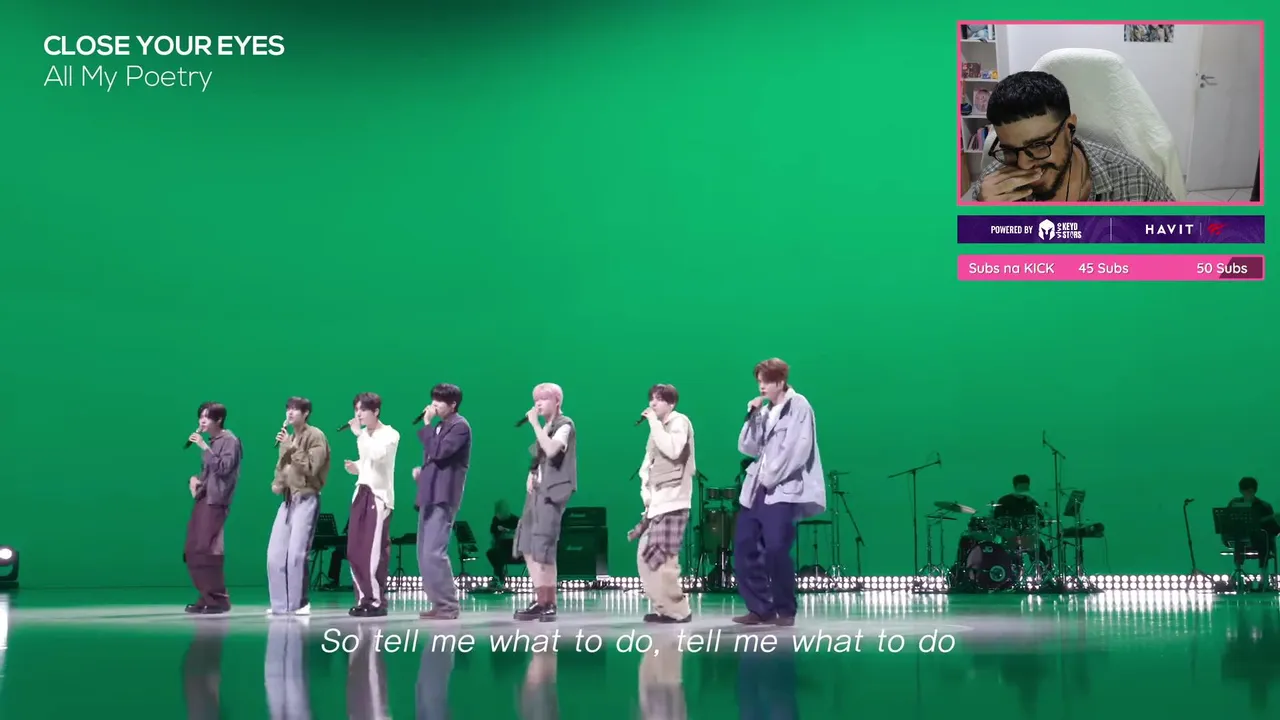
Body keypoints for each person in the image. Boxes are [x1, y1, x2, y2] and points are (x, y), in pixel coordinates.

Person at [965, 71, 1176, 203]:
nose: (1023, 164)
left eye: (1038, 145)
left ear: (1070, 128)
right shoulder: (992, 188)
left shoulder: (1133, 178)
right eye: (1010, 150)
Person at [733, 359, 826, 626]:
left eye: (766, 381)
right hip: (756, 489)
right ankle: (760, 608)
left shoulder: (799, 406)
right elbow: (748, 448)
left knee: (776, 548)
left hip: (783, 488)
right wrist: (752, 416)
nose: (761, 387)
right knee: (744, 546)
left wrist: (771, 476)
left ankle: (785, 609)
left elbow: (798, 449)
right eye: (759, 382)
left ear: (780, 381)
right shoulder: (765, 411)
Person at [627, 383, 694, 623]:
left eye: (658, 399)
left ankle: (679, 611)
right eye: (651, 398)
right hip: (657, 505)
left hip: (674, 502)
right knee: (646, 557)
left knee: (665, 562)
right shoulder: (657, 429)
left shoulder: (679, 422)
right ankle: (664, 608)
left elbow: (674, 450)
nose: (652, 403)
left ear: (671, 403)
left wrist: (654, 423)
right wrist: (647, 498)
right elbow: (648, 466)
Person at [513, 383, 577, 621]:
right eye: (535, 400)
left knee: (544, 545)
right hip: (536, 492)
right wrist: (531, 473)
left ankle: (549, 602)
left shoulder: (564, 425)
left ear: (557, 401)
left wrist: (535, 424)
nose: (538, 404)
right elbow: (539, 456)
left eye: (543, 399)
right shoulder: (547, 427)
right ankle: (539, 598)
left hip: (552, 492)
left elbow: (551, 450)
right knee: (527, 544)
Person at [412, 383, 472, 620]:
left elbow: (440, 453)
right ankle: (437, 603)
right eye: (433, 399)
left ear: (453, 404)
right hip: (429, 493)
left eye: (439, 401)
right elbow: (434, 458)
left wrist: (427, 425)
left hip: (444, 495)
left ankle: (448, 605)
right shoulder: (440, 426)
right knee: (423, 553)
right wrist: (423, 473)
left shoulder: (460, 426)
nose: (434, 405)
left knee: (434, 552)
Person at [266, 397, 331, 616]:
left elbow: (312, 467)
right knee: (274, 555)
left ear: (306, 413)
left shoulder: (316, 435)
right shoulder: (289, 437)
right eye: (288, 409)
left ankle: (299, 604)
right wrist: (278, 482)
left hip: (306, 497)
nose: (290, 413)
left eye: (295, 409)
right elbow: (282, 466)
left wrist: (290, 447)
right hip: (287, 500)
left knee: (296, 554)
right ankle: (280, 605)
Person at [342, 393, 400, 617]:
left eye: (363, 410)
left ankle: (376, 601)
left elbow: (378, 455)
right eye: (356, 410)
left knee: (373, 551)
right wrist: (356, 466)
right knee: (354, 550)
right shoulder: (366, 435)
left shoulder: (390, 434)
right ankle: (363, 598)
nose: (358, 414)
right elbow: (368, 462)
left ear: (376, 411)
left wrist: (360, 434)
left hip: (378, 496)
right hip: (361, 492)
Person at [184, 402, 243, 614]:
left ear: (218, 420)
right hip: (204, 498)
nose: (202, 421)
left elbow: (225, 468)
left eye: (207, 417)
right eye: (200, 416)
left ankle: (218, 599)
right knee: (193, 549)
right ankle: (206, 595)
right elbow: (209, 473)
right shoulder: (213, 442)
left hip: (216, 501)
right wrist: (196, 481)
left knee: (207, 549)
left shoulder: (230, 441)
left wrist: (204, 447)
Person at [1226, 477, 1277, 589]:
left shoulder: (1264, 506)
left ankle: (1263, 578)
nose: (1247, 494)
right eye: (1245, 491)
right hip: (1240, 539)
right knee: (1238, 536)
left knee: (1262, 537)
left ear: (1254, 491)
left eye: (1250, 491)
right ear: (1241, 491)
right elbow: (1227, 521)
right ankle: (1239, 577)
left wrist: (1270, 520)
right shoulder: (1234, 503)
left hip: (1260, 540)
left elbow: (1273, 528)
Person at [993, 474, 1051, 569]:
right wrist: (1004, 532)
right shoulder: (1004, 501)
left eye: (1026, 488)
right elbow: (996, 522)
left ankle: (1043, 572)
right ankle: (1012, 572)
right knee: (1008, 553)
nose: (1024, 491)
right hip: (1010, 539)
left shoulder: (1032, 503)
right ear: (1015, 487)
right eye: (1021, 488)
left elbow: (1040, 522)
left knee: (1040, 547)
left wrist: (1035, 530)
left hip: (1028, 538)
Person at [487, 500, 519, 589]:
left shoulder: (515, 520)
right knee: (491, 553)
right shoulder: (496, 520)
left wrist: (508, 532)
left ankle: (499, 578)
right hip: (501, 549)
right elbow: (493, 532)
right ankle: (499, 576)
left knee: (498, 555)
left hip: (513, 550)